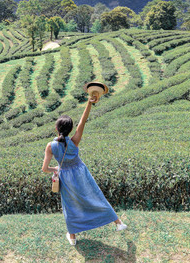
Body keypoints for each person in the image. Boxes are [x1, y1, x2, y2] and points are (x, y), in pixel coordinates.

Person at [41, 95, 127, 245]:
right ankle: (119, 223)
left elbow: (44, 169)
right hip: (81, 173)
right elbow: (83, 120)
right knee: (95, 196)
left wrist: (56, 168)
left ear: (56, 128)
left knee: (70, 205)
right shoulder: (75, 140)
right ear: (71, 129)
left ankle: (72, 237)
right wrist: (89, 103)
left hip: (65, 177)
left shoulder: (50, 146)